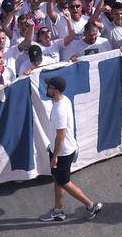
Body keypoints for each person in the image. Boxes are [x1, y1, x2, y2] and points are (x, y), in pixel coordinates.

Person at [39, 77, 103, 222]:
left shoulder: (59, 109)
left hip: (61, 153)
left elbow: (60, 136)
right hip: (66, 149)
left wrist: (54, 155)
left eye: (49, 87)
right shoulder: (64, 100)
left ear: (55, 91)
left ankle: (91, 205)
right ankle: (58, 210)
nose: (46, 89)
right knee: (58, 180)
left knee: (64, 182)